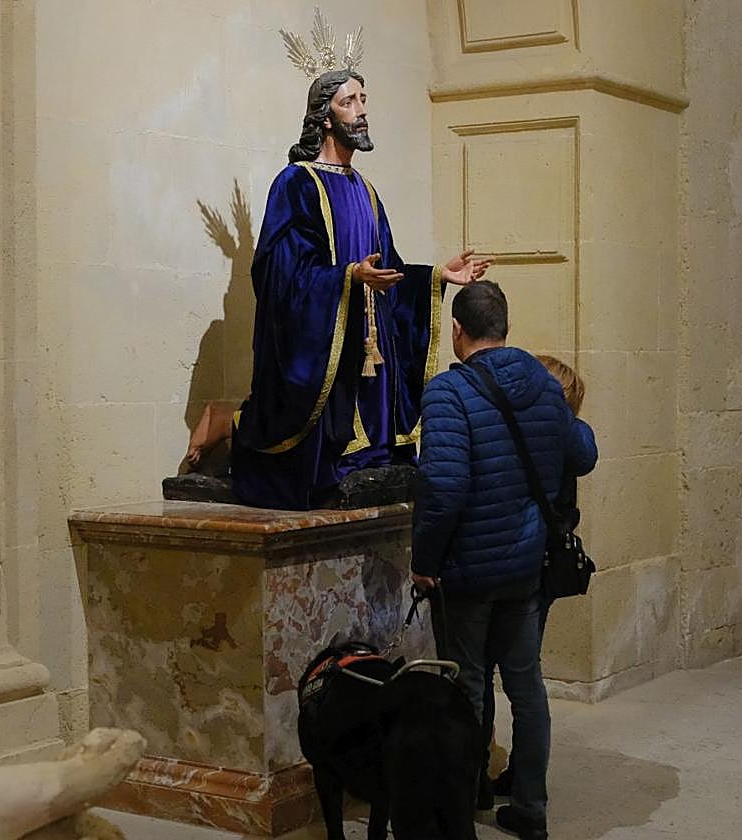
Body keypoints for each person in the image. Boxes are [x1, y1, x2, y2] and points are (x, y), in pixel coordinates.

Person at [230, 64, 488, 510]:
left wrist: (435, 277)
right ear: (325, 117)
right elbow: (278, 272)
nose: (361, 111)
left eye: (363, 100)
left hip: (373, 345)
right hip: (332, 343)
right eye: (348, 102)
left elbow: (386, 266)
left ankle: (373, 455)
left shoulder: (366, 190)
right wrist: (345, 278)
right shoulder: (296, 183)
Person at [410, 281, 597, 840]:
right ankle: (531, 809)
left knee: (467, 685)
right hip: (525, 566)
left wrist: (425, 559)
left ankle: (464, 801)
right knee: (526, 685)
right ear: (506, 327)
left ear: (458, 331)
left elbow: (443, 487)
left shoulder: (447, 392)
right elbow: (582, 455)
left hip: (468, 569)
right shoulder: (543, 384)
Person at [487, 354, 587, 800]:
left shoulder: (542, 437)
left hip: (514, 565)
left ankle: (482, 781)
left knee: (490, 674)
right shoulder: (570, 440)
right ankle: (527, 786)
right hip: (540, 568)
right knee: (525, 680)